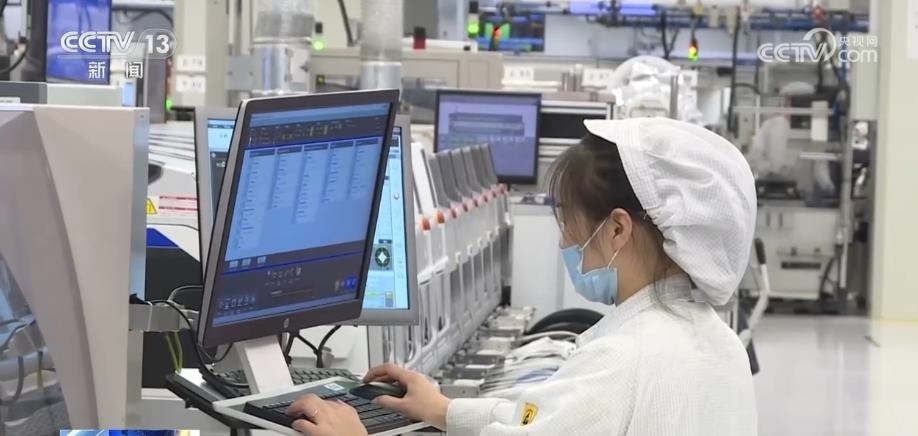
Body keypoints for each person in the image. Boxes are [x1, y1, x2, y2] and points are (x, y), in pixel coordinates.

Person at [286, 118, 759, 436]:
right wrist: (445, 409)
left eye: (568, 223)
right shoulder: (718, 342)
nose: (563, 241)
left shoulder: (623, 360)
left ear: (618, 229)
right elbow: (544, 419)